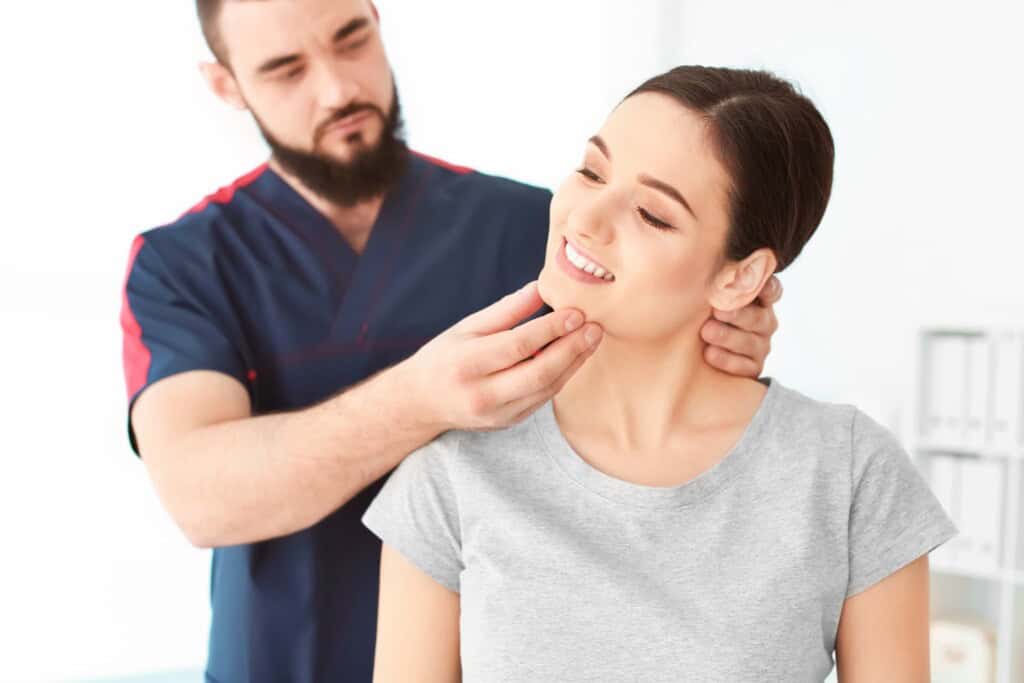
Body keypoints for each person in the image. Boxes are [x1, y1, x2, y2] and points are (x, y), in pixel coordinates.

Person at [119, 2, 782, 681]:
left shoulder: (538, 233)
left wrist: (715, 335)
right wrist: (422, 400)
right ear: (227, 85)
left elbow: (659, 422)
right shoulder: (183, 266)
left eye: (352, 39)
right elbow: (202, 496)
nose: (339, 88)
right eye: (286, 70)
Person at [363, 65, 958, 682]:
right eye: (592, 171)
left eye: (652, 214)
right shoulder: (454, 471)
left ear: (741, 277)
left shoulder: (849, 475)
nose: (586, 219)